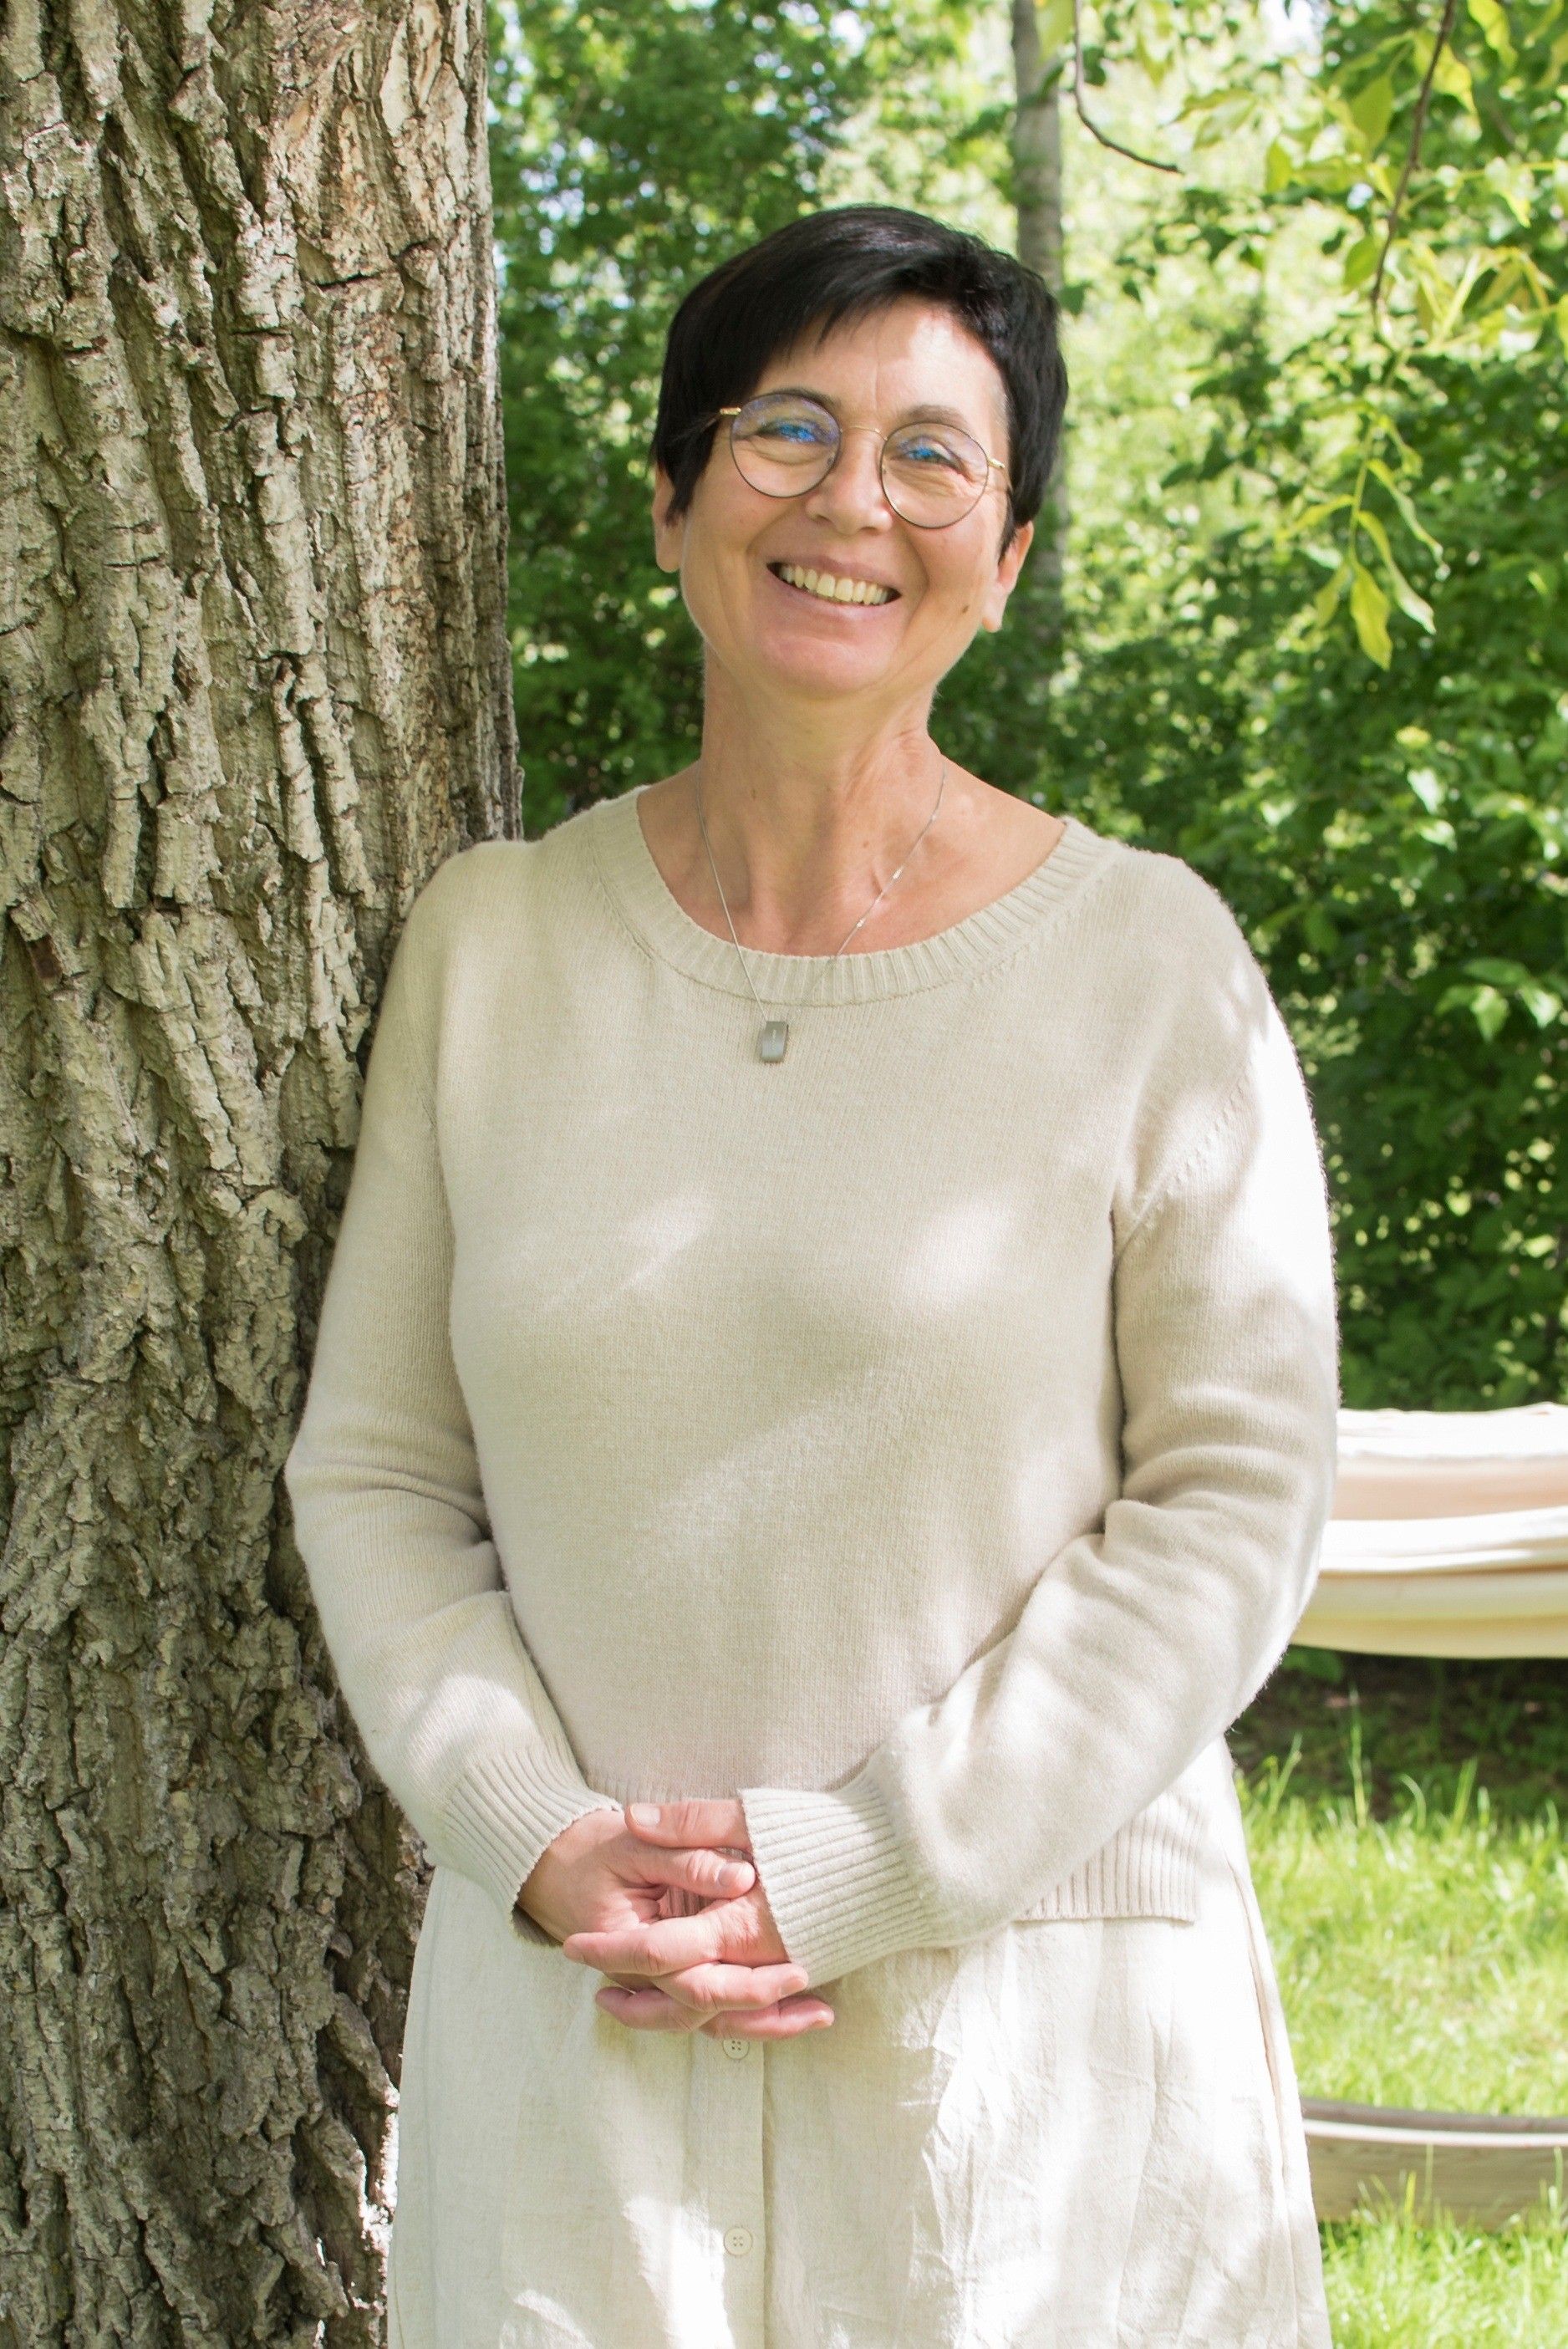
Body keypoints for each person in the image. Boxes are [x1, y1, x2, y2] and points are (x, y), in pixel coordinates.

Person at [283, 201, 1340, 2347]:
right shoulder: (493, 948)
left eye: (932, 455)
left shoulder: (1144, 962)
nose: (852, 500)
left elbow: (1234, 1493)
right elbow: (379, 1468)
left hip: (1024, 2050)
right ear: (670, 501)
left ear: (1004, 557)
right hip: (588, 2031)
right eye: (785, 429)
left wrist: (868, 1859)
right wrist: (527, 1830)